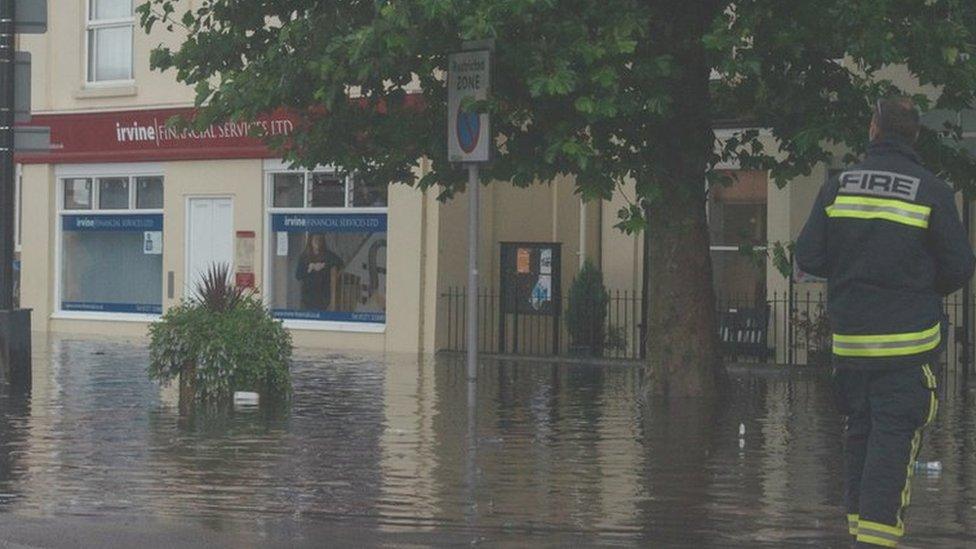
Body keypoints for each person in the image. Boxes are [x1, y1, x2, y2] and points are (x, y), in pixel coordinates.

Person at [796, 96, 975, 548]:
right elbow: (959, 266)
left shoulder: (838, 187)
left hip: (852, 347)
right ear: (914, 136)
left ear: (873, 129)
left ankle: (858, 537)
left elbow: (810, 256)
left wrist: (855, 273)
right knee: (891, 452)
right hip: (906, 350)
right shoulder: (931, 189)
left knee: (859, 439)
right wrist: (915, 286)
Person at [295, 234, 343, 312]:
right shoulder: (304, 257)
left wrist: (324, 265)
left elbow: (340, 263)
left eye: (320, 240)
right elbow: (298, 275)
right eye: (315, 240)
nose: (317, 243)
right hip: (308, 296)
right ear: (310, 241)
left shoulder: (328, 255)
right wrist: (309, 268)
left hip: (323, 296)